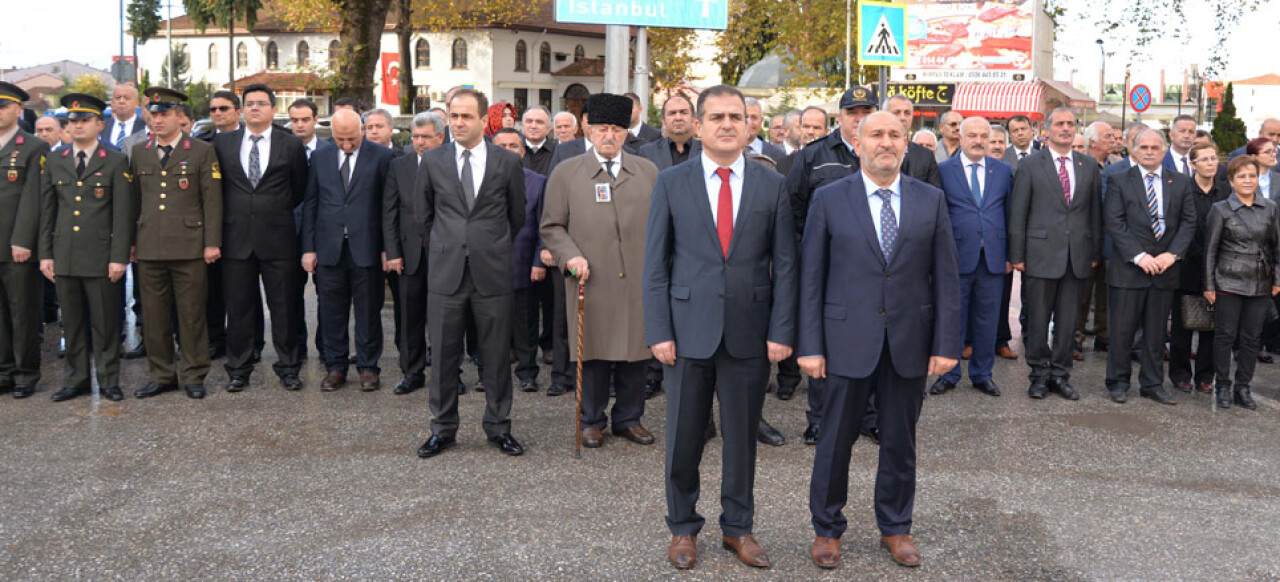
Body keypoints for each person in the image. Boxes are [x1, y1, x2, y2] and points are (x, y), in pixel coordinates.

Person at [798, 110, 960, 570]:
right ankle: (827, 529)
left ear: (906, 143)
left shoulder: (930, 200)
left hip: (909, 341)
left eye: (894, 134)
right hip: (845, 340)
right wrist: (809, 344)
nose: (886, 142)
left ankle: (895, 527)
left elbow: (947, 276)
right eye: (876, 134)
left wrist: (947, 343)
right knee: (834, 440)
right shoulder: (830, 199)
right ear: (858, 143)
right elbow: (812, 277)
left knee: (900, 441)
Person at [643, 84, 796, 571]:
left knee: (742, 439)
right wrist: (659, 330)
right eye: (717, 117)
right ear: (699, 125)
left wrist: (781, 330)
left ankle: (738, 528)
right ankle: (683, 528)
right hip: (687, 332)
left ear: (750, 125)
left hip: (749, 332)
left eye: (737, 116)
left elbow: (787, 266)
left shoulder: (772, 184)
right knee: (683, 438)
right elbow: (656, 265)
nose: (727, 124)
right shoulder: (671, 182)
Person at [415, 89, 527, 459]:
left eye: (466, 116)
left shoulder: (506, 162)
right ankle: (443, 428)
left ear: (484, 121)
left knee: (495, 356)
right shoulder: (432, 161)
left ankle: (498, 427)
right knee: (445, 356)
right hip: (446, 275)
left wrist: (487, 244)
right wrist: (449, 246)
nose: (459, 123)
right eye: (454, 116)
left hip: (492, 272)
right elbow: (424, 216)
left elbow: (517, 216)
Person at [542, 93, 657, 448]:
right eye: (602, 128)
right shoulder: (567, 172)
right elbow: (551, 227)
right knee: (591, 352)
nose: (609, 136)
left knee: (635, 353)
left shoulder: (648, 172)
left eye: (617, 130)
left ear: (627, 133)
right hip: (589, 279)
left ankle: (629, 418)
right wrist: (569, 257)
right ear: (588, 129)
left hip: (638, 278)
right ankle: (591, 420)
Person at [785, 87, 878, 444]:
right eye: (853, 112)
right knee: (823, 344)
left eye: (867, 110)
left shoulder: (884, 151)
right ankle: (820, 418)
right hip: (827, 270)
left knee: (873, 343)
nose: (859, 117)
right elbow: (794, 212)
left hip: (874, 270)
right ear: (839, 117)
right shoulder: (815, 155)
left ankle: (869, 416)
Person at [36, 92, 132, 402]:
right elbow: (47, 211)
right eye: (72, 121)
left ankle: (107, 380)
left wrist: (119, 258)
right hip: (64, 255)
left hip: (101, 256)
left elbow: (122, 213)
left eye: (84, 120)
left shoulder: (115, 159)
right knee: (72, 324)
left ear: (99, 124)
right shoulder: (56, 159)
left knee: (104, 323)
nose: (77, 126)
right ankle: (75, 379)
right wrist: (46, 254)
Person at [213, 83, 308, 392]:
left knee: (284, 306)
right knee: (239, 308)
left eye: (261, 103)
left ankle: (289, 367)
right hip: (235, 239)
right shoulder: (224, 144)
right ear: (242, 110)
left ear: (272, 109)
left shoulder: (290, 145)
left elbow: (298, 190)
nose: (255, 107)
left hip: (278, 239)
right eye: (249, 103)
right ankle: (239, 368)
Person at [129, 87, 223, 400]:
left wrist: (212, 243)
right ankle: (161, 374)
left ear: (179, 116)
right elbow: (134, 201)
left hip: (190, 245)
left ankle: (194, 374)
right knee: (154, 317)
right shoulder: (140, 151)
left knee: (192, 314)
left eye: (164, 114)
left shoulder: (200, 150)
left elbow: (212, 199)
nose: (157, 120)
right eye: (153, 114)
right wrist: (131, 243)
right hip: (150, 244)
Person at [1008, 108, 1103, 400]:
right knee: (1036, 320)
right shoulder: (1031, 165)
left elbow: (1094, 214)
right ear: (1047, 130)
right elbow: (1018, 212)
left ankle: (1060, 375)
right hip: (1039, 255)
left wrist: (1094, 251)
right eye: (1059, 124)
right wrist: (1017, 254)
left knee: (1068, 322)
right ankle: (1038, 374)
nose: (1065, 129)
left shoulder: (1087, 165)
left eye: (1070, 124)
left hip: (1077, 257)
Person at [1102, 128, 1196, 405]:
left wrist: (1172, 255)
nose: (1149, 152)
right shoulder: (1119, 180)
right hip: (1129, 269)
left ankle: (1153, 383)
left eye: (1155, 148)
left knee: (1156, 333)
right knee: (1122, 331)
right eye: (1144, 147)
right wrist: (1140, 256)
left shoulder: (1179, 181)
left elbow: (1189, 222)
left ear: (1164, 151)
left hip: (1165, 269)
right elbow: (1115, 222)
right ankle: (1118, 382)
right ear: (1133, 150)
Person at [301, 109, 393, 392]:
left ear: (362, 130)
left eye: (352, 138)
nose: (347, 145)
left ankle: (368, 368)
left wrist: (388, 248)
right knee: (331, 312)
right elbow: (312, 204)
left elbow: (388, 207)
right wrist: (309, 248)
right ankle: (335, 367)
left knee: (367, 311)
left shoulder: (382, 157)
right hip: (329, 249)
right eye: (340, 139)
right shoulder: (320, 157)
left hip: (367, 246)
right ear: (332, 134)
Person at [929, 117, 1011, 398]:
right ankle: (949, 373)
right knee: (953, 318)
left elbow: (1009, 214)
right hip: (955, 257)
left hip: (992, 258)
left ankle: (982, 373)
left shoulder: (1002, 171)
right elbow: (937, 217)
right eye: (972, 135)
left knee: (987, 320)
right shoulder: (943, 170)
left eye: (983, 136)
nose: (978, 141)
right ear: (960, 138)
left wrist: (1010, 255)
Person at [1203, 155, 1280, 410]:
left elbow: (1276, 248)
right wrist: (1209, 285)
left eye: (1252, 175)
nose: (1248, 180)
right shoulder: (1220, 209)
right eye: (1242, 176)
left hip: (1260, 281)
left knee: (1251, 338)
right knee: (1225, 336)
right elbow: (1210, 251)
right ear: (1231, 181)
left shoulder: (1270, 208)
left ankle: (1243, 387)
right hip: (1228, 280)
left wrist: (1276, 280)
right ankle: (1222, 385)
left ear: (1258, 179)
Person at [382, 111, 443, 394]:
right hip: (408, 255)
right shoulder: (399, 166)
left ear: (440, 138)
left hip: (445, 254)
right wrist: (392, 252)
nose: (420, 142)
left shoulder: (452, 164)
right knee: (409, 317)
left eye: (426, 137)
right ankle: (412, 372)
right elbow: (390, 212)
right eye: (416, 137)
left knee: (445, 317)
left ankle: (447, 373)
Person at [1, 82, 51, 399]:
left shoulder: (32, 147)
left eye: (3, 106)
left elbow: (34, 199)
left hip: (16, 246)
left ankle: (25, 372)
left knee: (23, 312)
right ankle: (4, 370)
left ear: (19, 110)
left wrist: (23, 241)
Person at [491, 128, 547, 393]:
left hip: (523, 264)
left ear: (522, 152)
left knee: (525, 323)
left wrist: (538, 261)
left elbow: (543, 227)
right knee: (492, 324)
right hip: (487, 265)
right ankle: (489, 373)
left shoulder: (538, 182)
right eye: (501, 145)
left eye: (513, 146)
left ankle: (527, 372)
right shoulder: (479, 179)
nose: (507, 150)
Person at [1169, 142, 1227, 394]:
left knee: (1212, 325)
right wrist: (1198, 254)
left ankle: (1206, 375)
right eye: (1204, 159)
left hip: (1219, 268)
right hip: (1188, 265)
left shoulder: (1225, 192)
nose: (1211, 163)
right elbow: (1178, 226)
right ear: (1192, 165)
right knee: (1183, 323)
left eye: (1214, 158)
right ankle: (1180, 373)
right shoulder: (1183, 190)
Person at [193, 90, 247, 362]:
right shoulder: (202, 143)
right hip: (212, 225)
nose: (217, 113)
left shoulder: (249, 140)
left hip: (243, 225)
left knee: (242, 292)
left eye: (224, 108)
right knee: (212, 291)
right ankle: (216, 340)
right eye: (213, 109)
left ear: (238, 111)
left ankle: (250, 343)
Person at [287, 98, 333, 360]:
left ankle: (327, 348)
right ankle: (297, 348)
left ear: (316, 120)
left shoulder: (329, 150)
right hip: (289, 235)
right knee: (291, 296)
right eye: (294, 120)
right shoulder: (282, 149)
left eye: (305, 119)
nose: (300, 125)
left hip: (324, 235)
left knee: (327, 296)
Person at [1074, 121, 1117, 358]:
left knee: (1106, 290)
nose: (1113, 139)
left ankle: (1104, 335)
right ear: (1093, 141)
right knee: (1082, 292)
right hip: (1086, 238)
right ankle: (1076, 336)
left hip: (1110, 239)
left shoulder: (1116, 166)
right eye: (1107, 135)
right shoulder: (1082, 165)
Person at [883, 95, 942, 188]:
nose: (902, 117)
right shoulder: (872, 150)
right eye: (896, 112)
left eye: (907, 113)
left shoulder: (925, 156)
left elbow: (935, 195)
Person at [639, 94, 700, 172]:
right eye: (672, 113)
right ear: (663, 121)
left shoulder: (708, 151)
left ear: (693, 118)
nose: (678, 118)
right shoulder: (647, 152)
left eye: (684, 112)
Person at [101, 84, 145, 150]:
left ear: (137, 103)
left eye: (127, 98)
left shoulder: (145, 128)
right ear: (112, 102)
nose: (121, 101)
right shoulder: (102, 128)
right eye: (118, 97)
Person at [744, 97, 786, 163]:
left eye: (754, 117)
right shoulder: (725, 152)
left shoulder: (778, 155)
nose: (749, 122)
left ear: (761, 121)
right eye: (745, 117)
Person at [520, 105, 556, 175]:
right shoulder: (513, 150)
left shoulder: (557, 152)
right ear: (522, 125)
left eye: (539, 122)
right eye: (529, 121)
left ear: (548, 128)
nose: (533, 126)